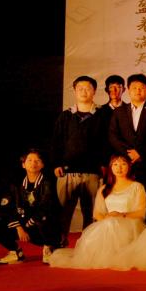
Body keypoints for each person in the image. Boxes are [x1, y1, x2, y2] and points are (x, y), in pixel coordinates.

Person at [49, 154, 146, 269]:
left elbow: (141, 212)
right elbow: (97, 213)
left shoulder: (137, 187)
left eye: (123, 164)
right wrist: (108, 219)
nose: (119, 168)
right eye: (115, 164)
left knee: (113, 225)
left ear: (129, 166)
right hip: (109, 224)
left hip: (130, 224)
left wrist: (121, 215)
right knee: (105, 228)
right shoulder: (104, 189)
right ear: (111, 167)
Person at [51, 75, 109, 246]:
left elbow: (107, 141)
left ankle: (89, 245)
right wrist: (56, 164)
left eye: (88, 88)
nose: (84, 91)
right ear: (75, 91)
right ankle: (59, 243)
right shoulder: (65, 116)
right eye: (80, 88)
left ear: (94, 91)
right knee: (63, 212)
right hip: (67, 172)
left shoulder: (103, 114)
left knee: (92, 212)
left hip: (93, 172)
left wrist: (104, 164)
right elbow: (56, 141)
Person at [0, 149, 62, 264]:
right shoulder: (17, 185)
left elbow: (46, 208)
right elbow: (8, 208)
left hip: (42, 227)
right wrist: (19, 228)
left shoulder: (47, 183)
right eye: (29, 160)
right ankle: (16, 252)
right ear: (23, 164)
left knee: (45, 218)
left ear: (42, 165)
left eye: (37, 161)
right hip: (25, 226)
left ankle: (49, 247)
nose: (33, 163)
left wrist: (28, 224)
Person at [108, 73, 146, 203]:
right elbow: (113, 135)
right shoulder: (119, 111)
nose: (138, 91)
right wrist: (128, 153)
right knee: (126, 200)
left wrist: (140, 152)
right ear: (128, 90)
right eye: (134, 88)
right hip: (125, 163)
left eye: (142, 88)